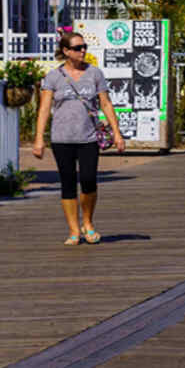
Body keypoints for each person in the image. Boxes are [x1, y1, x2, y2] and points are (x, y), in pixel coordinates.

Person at [33, 31, 125, 246]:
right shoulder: (53, 77)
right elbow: (44, 108)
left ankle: (88, 222)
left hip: (88, 137)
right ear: (66, 51)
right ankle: (74, 230)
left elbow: (106, 104)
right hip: (61, 138)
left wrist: (117, 133)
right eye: (77, 48)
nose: (82, 51)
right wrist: (39, 139)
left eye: (84, 46)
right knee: (67, 184)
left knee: (89, 181)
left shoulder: (95, 74)